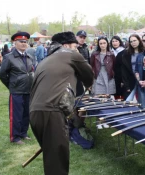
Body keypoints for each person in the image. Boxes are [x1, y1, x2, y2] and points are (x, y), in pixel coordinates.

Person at [29, 31, 94, 175]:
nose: (76, 49)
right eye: (74, 46)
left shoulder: (44, 61)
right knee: (58, 163)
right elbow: (89, 76)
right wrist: (88, 83)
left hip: (35, 113)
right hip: (53, 112)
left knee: (52, 158)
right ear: (66, 45)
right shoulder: (70, 54)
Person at [0, 32, 34, 145]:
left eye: (25, 42)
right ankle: (15, 137)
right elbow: (2, 74)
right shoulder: (9, 57)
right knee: (16, 115)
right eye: (21, 41)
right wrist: (11, 85)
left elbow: (31, 71)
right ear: (15, 43)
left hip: (28, 90)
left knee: (26, 114)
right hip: (16, 91)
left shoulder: (29, 57)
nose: (23, 44)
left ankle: (23, 133)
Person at [122, 34, 144, 101]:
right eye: (131, 41)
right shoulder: (126, 53)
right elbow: (124, 70)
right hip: (131, 80)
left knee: (142, 101)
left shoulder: (144, 52)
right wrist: (126, 85)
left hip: (143, 79)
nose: (133, 43)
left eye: (134, 40)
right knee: (128, 101)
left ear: (139, 40)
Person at [76, 30, 90, 97]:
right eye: (80, 37)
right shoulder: (74, 47)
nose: (82, 39)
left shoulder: (85, 48)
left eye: (84, 38)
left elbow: (88, 61)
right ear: (76, 37)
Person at [110, 35, 125, 100]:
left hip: (122, 76)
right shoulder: (110, 52)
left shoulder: (124, 52)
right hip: (113, 77)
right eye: (113, 41)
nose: (114, 43)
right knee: (115, 94)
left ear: (119, 42)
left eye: (116, 41)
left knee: (123, 95)